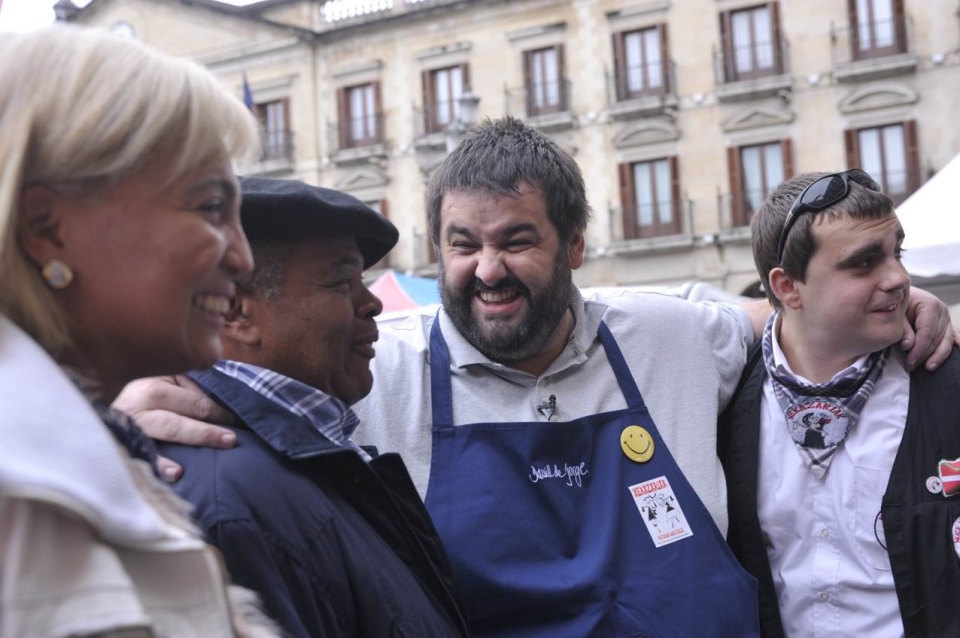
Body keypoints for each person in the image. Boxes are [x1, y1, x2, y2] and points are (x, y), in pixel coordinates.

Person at [116, 118, 956, 637]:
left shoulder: (669, 335)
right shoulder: (378, 376)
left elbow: (785, 317)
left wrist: (900, 303)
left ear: (576, 247)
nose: (486, 269)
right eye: (460, 244)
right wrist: (143, 393)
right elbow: (259, 404)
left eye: (516, 240)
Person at [0, 26, 278, 637]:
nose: (243, 258)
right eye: (209, 208)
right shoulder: (23, 503)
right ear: (46, 228)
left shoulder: (64, 464)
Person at [158, 178, 470, 637]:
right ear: (234, 312)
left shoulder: (302, 459)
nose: (373, 302)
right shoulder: (234, 505)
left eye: (361, 279)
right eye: (341, 282)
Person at [720, 170, 960, 638]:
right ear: (788, 287)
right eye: (864, 263)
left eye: (897, 253)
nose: (899, 279)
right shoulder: (723, 398)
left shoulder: (948, 380)